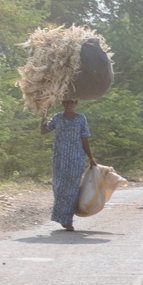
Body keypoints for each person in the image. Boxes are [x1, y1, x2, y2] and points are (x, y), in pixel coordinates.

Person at [40, 99, 94, 231]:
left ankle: (67, 220)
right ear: (63, 104)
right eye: (66, 103)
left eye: (71, 103)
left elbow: (85, 138)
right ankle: (61, 217)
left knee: (72, 189)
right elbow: (44, 131)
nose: (69, 105)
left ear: (76, 104)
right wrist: (44, 114)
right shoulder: (57, 118)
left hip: (76, 159)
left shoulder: (81, 118)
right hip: (60, 159)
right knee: (59, 187)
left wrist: (91, 158)